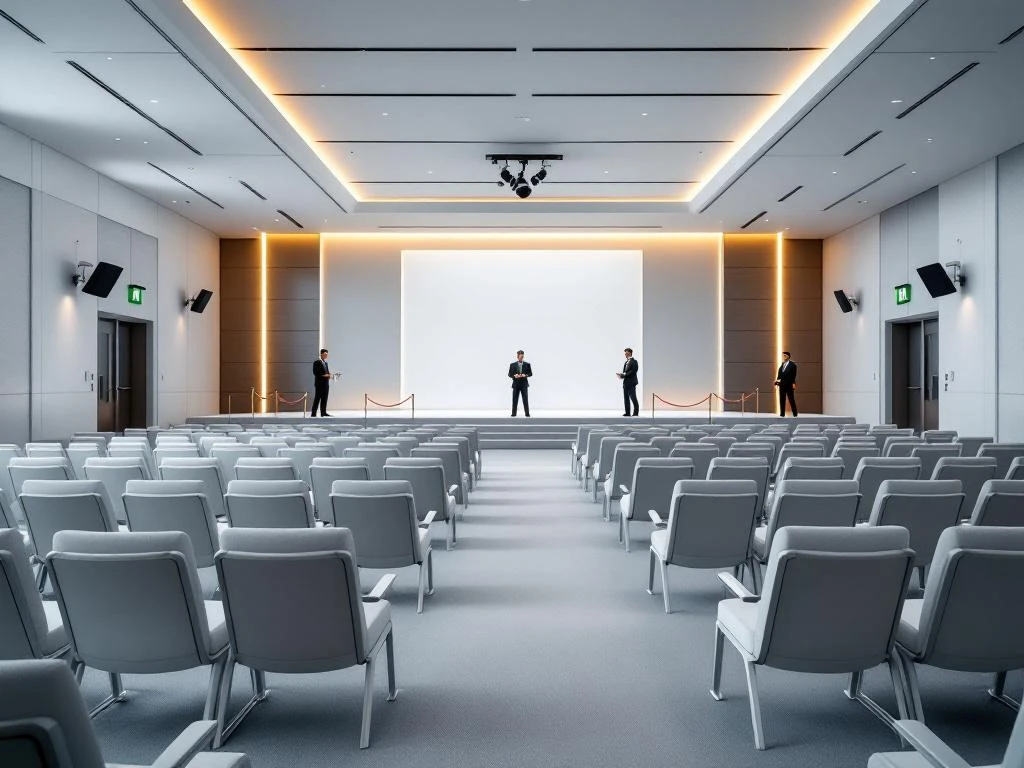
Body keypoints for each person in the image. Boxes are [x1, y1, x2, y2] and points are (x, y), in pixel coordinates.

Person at [508, 350, 532, 417]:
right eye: (520, 356)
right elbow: (509, 374)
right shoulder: (512, 365)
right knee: (515, 399)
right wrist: (514, 376)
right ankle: (513, 414)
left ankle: (527, 414)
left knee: (525, 399)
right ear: (517, 356)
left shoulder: (527, 364)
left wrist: (525, 375)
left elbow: (530, 373)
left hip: (524, 384)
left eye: (522, 356)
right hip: (516, 384)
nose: (521, 358)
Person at [774, 351, 798, 417]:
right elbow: (780, 375)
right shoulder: (782, 364)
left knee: (791, 399)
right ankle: (782, 414)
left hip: (789, 385)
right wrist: (777, 381)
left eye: (785, 355)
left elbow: (794, 375)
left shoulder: (793, 365)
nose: (784, 356)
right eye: (783, 355)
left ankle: (795, 413)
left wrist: (793, 383)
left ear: (789, 356)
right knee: (782, 399)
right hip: (782, 385)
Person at [617, 348, 639, 416]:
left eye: (626, 353)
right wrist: (621, 375)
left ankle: (635, 412)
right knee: (626, 398)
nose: (625, 354)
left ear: (630, 353)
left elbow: (633, 371)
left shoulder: (634, 361)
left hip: (631, 382)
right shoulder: (626, 362)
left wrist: (625, 374)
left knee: (633, 397)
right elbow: (625, 372)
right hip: (626, 382)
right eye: (625, 353)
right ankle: (627, 412)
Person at [311, 348, 332, 417]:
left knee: (324, 399)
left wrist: (330, 375)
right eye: (325, 354)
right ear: (321, 354)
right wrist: (325, 375)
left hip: (326, 384)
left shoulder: (326, 363)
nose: (326, 356)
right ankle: (313, 413)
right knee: (317, 398)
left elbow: (327, 373)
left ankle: (323, 412)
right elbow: (315, 373)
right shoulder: (317, 362)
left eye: (327, 354)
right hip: (319, 384)